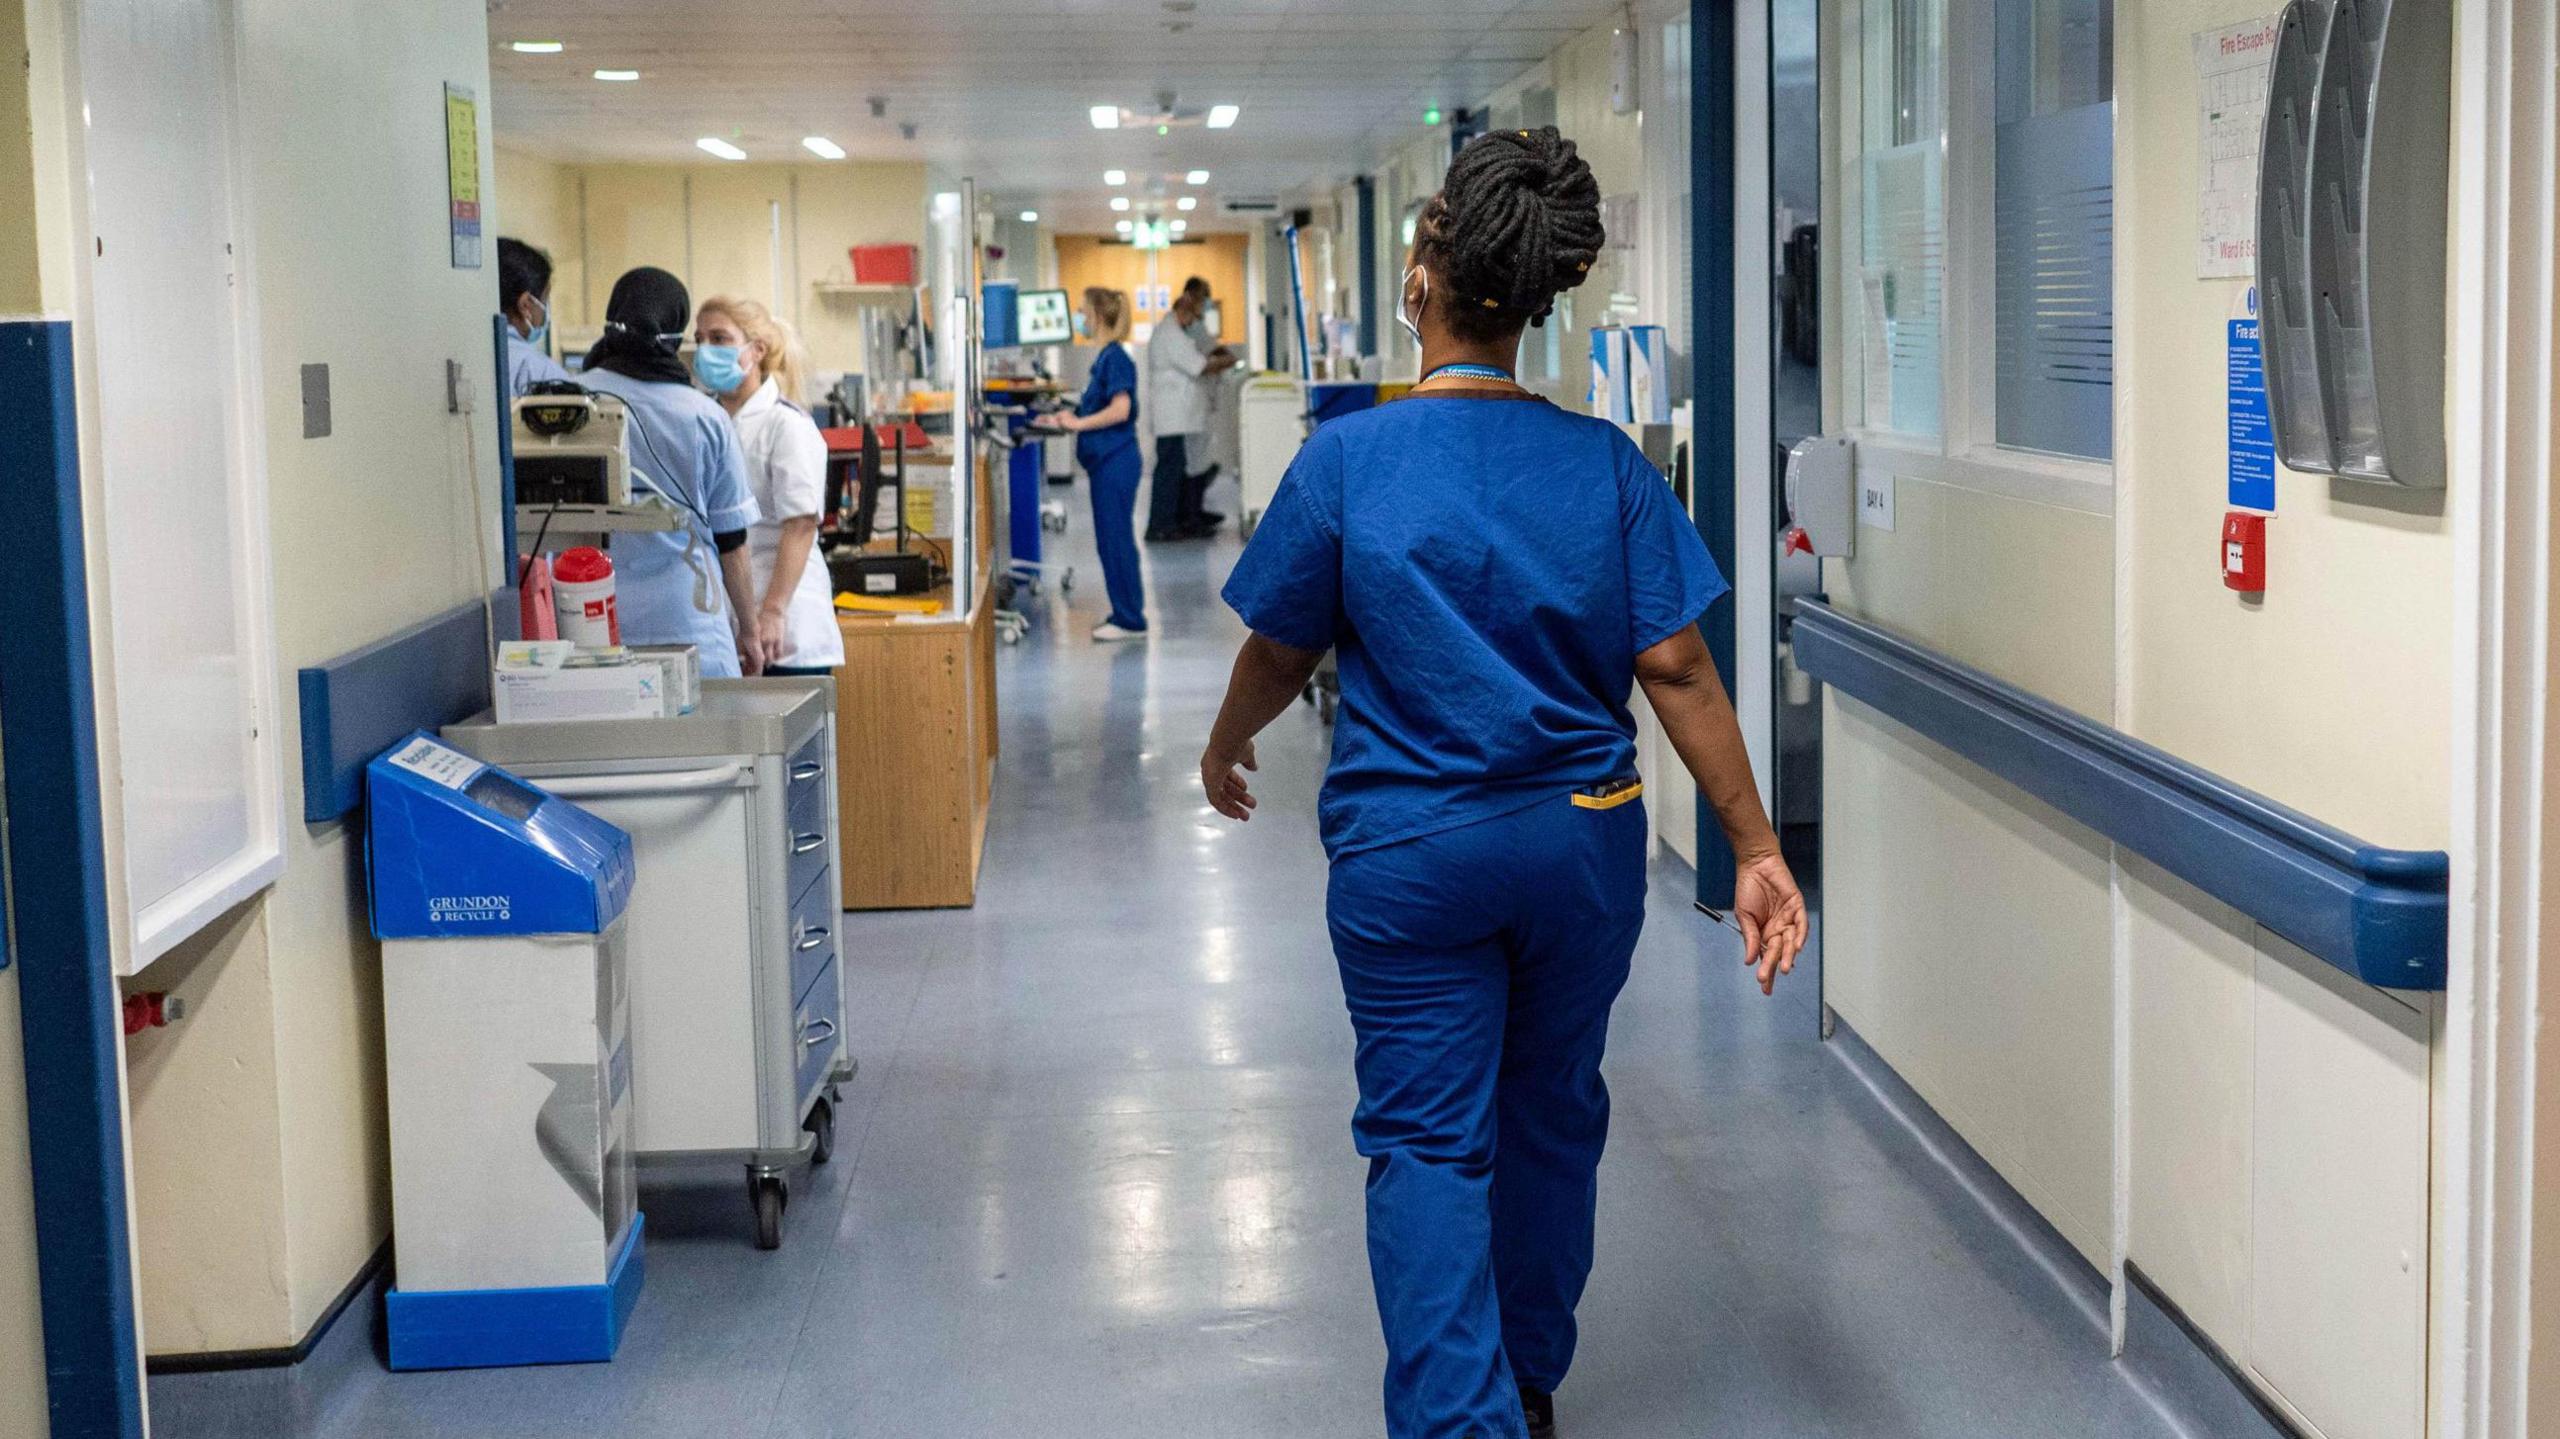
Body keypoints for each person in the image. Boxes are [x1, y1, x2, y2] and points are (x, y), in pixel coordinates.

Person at [1199, 127, 1810, 1439]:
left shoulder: (1351, 460)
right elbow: (1681, 666)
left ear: (1423, 278)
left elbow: (1279, 642)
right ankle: (1528, 1374)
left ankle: (1460, 1419)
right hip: (1579, 844)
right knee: (1550, 1107)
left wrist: (1226, 738)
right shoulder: (1603, 465)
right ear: (1539, 302)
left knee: (1427, 1139)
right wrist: (1755, 843)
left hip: (1410, 855)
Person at [575, 266, 765, 677]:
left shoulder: (573, 401)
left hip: (592, 618)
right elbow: (731, 538)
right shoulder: (704, 415)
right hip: (688, 619)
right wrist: (749, 631)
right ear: (674, 332)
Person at [693, 295, 844, 679]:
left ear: (756, 350)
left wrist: (774, 611)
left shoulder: (785, 425)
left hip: (783, 622)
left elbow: (801, 524)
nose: (706, 349)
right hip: (730, 622)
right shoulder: (705, 420)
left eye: (720, 338)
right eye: (700, 339)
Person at [1045, 287, 1147, 642]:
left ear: (1097, 316)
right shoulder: (1105, 357)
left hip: (1116, 461)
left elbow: (1120, 409)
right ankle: (1125, 611)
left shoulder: (1116, 357)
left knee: (1116, 539)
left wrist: (1077, 424)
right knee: (1111, 540)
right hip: (1108, 461)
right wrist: (1070, 416)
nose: (1079, 318)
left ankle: (1131, 619)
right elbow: (1099, 405)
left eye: (1082, 311)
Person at [1144, 276, 1237, 541]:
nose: (1195, 321)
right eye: (1193, 314)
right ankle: (1160, 526)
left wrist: (1220, 358)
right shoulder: (1170, 333)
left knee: (1180, 469)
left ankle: (1178, 519)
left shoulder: (1179, 330)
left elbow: (1208, 350)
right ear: (1184, 309)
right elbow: (1199, 364)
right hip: (1172, 416)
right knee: (1169, 471)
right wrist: (1224, 362)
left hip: (1181, 416)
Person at [498, 237, 571, 401]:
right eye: (545, 301)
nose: (546, 312)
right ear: (526, 306)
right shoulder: (541, 372)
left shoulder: (462, 355)